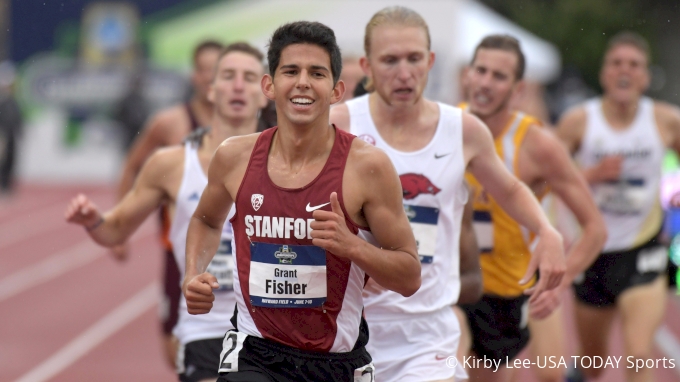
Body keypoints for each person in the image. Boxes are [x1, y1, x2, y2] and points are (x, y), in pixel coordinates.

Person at [330, 7, 567, 382]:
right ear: (368, 66)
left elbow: (509, 188)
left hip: (427, 333)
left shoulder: (463, 131)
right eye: (390, 60)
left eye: (414, 59)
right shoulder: (339, 124)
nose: (404, 72)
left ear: (431, 61)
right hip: (349, 329)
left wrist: (547, 231)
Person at [183, 21, 421, 382]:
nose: (303, 82)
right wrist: (193, 273)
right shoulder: (235, 157)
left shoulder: (367, 167)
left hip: (335, 362)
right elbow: (206, 220)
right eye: (291, 71)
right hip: (255, 352)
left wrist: (352, 246)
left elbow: (409, 276)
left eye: (317, 73)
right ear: (269, 85)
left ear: (337, 89)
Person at [65, 42, 267, 382]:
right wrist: (94, 221)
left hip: (273, 331)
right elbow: (115, 229)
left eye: (248, 78)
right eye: (228, 76)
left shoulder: (287, 164)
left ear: (265, 92)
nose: (237, 86)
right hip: (207, 329)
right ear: (211, 89)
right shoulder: (171, 164)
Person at [452, 34, 607, 382]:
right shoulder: (443, 125)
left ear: (517, 89)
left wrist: (559, 281)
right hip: (452, 286)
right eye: (481, 71)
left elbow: (595, 229)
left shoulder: (538, 146)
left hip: (508, 291)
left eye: (499, 76)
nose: (485, 83)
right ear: (467, 74)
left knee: (545, 373)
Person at [556, 31, 680, 382]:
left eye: (634, 65)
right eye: (617, 64)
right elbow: (545, 177)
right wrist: (590, 174)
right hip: (592, 254)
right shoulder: (579, 121)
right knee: (594, 364)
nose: (625, 71)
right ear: (604, 73)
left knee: (639, 354)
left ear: (645, 75)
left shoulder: (666, 120)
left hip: (643, 253)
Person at [114, 39, 223, 366]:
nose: (211, 78)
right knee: (173, 344)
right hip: (179, 251)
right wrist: (121, 228)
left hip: (236, 251)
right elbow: (132, 166)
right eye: (205, 70)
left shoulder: (246, 122)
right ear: (194, 76)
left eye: (218, 71)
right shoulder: (170, 122)